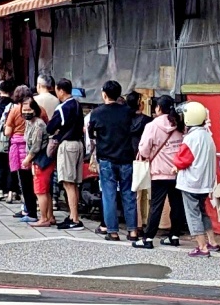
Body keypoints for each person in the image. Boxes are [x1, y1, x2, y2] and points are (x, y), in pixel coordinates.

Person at [87, 80, 140, 242]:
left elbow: (91, 134)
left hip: (107, 159)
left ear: (104, 94)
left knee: (109, 195)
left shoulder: (97, 112)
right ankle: (133, 231)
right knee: (129, 194)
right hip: (126, 158)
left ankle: (113, 231)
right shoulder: (128, 111)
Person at [134, 95, 187, 249]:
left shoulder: (152, 125)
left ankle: (148, 238)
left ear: (158, 108)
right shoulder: (179, 124)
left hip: (159, 172)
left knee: (156, 205)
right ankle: (174, 235)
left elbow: (144, 149)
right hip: (178, 171)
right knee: (176, 205)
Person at [172, 101, 220, 257]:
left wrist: (175, 166)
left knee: (193, 214)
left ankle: (202, 247)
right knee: (202, 211)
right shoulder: (207, 135)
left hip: (191, 183)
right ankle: (212, 242)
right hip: (205, 183)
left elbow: (182, 160)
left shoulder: (191, 138)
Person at [47, 78, 85, 230]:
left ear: (61, 90)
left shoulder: (62, 108)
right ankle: (72, 216)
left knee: (68, 183)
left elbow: (50, 127)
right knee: (74, 183)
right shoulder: (77, 104)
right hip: (79, 144)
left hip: (67, 145)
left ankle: (74, 219)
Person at [6, 85, 46, 222]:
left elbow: (7, 131)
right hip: (37, 151)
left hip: (23, 150)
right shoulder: (41, 110)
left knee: (25, 182)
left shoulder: (15, 110)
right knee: (35, 182)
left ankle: (29, 210)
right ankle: (41, 212)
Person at [20, 98, 55, 227]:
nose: (26, 112)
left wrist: (27, 159)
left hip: (42, 160)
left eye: (29, 109)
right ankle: (49, 216)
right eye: (24, 110)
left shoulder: (39, 124)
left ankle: (44, 218)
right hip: (37, 159)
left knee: (40, 190)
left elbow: (36, 146)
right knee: (44, 190)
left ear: (35, 110)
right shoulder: (29, 123)